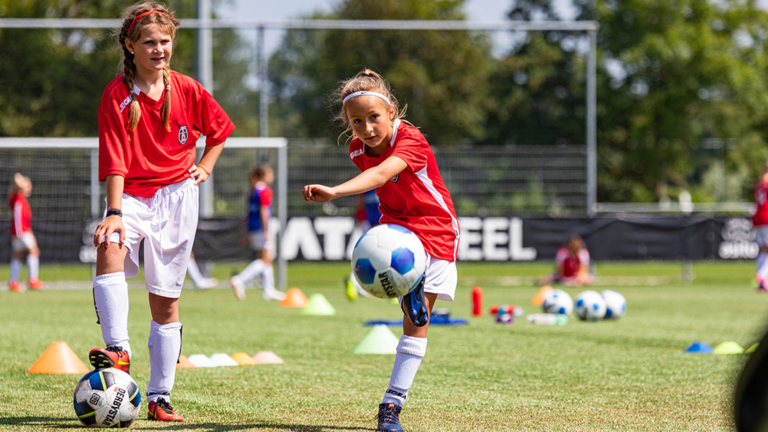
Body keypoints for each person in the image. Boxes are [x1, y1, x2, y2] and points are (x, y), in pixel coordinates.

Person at [90, 1, 234, 422]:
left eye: (165, 41)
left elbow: (220, 131)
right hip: (131, 196)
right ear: (130, 46)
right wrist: (114, 212)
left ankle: (159, 397)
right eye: (149, 42)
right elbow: (115, 159)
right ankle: (118, 350)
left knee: (165, 305)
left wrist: (205, 166)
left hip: (176, 198)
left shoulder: (187, 89)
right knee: (108, 245)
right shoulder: (117, 94)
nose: (158, 49)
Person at [302, 69, 460, 432]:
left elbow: (381, 175)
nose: (367, 127)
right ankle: (391, 407)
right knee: (415, 321)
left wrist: (335, 191)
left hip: (435, 228)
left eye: (374, 117)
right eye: (357, 121)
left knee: (417, 324)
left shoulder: (412, 139)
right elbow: (376, 179)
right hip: (397, 229)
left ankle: (391, 404)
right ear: (348, 122)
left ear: (391, 113)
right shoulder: (357, 148)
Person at [230, 165, 286, 301]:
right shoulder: (265, 190)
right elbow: (264, 211)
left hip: (252, 228)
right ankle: (240, 279)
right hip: (262, 228)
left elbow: (248, 213)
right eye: (270, 174)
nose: (272, 176)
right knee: (266, 260)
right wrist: (266, 230)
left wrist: (245, 232)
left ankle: (269, 290)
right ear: (263, 176)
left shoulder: (253, 190)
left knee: (265, 259)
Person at [8, 173, 44, 292]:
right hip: (21, 232)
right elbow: (18, 218)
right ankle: (33, 280)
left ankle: (13, 282)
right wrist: (20, 232)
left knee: (17, 255)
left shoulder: (16, 198)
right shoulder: (18, 199)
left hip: (18, 232)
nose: (29, 189)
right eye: (27, 187)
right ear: (22, 188)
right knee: (34, 251)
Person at [345, 189, 382, 300]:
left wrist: (359, 217)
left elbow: (359, 202)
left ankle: (355, 281)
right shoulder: (383, 181)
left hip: (370, 224)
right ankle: (354, 280)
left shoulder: (369, 185)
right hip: (380, 225)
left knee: (371, 256)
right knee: (377, 257)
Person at [753, 160, 768, 292]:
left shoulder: (759, 183)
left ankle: (762, 284)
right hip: (767, 216)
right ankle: (762, 276)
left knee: (764, 249)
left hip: (757, 217)